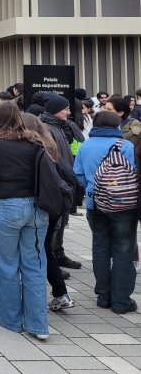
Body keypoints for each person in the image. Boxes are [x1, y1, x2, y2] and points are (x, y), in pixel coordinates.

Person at [0, 101, 49, 339]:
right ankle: (38, 324)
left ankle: (10, 320)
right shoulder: (34, 140)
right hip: (37, 207)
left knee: (5, 264)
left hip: (6, 203)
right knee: (35, 265)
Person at [74, 111, 138, 314]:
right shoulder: (126, 146)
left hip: (95, 203)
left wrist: (90, 190)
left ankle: (103, 296)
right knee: (123, 248)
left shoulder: (86, 145)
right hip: (124, 205)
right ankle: (120, 301)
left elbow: (78, 174)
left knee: (100, 246)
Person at [21, 113, 75, 312]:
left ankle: (55, 293)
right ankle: (61, 293)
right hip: (56, 203)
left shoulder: (33, 148)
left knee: (37, 249)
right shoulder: (50, 146)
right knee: (44, 248)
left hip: (41, 203)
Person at [39, 94, 84, 273]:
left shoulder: (59, 126)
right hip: (56, 182)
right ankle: (52, 262)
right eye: (65, 108)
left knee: (63, 221)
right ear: (56, 110)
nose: (69, 111)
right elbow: (51, 159)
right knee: (55, 224)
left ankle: (59, 253)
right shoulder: (46, 128)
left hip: (65, 181)